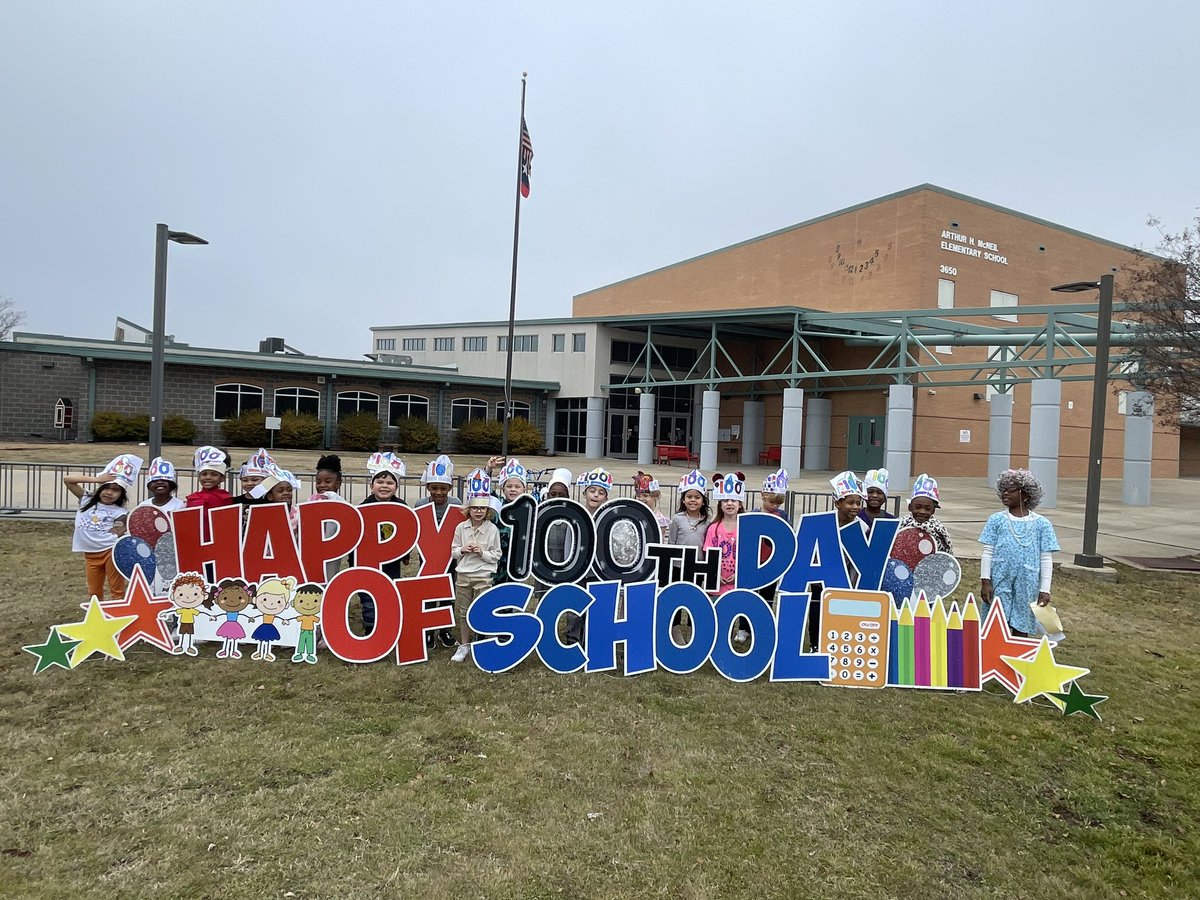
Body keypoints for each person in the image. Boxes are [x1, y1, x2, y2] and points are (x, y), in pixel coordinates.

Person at [979, 468, 1060, 637]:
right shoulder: (996, 520)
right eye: (1003, 490)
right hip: (1000, 579)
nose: (1005, 493)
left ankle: (1018, 656)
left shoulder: (1042, 524)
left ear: (1025, 494)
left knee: (1022, 621)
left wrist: (1045, 589)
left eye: (1010, 489)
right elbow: (987, 551)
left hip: (1027, 582)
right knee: (997, 621)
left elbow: (1046, 558)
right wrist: (985, 581)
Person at [63, 453, 141, 601]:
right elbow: (68, 480)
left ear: (121, 495)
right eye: (106, 488)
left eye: (116, 490)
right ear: (100, 489)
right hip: (90, 555)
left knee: (116, 589)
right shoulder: (86, 500)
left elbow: (134, 520)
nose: (109, 493)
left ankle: (120, 615)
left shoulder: (118, 511)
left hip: (110, 551)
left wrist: (121, 530)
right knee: (94, 591)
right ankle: (98, 618)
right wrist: (97, 479)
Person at [449, 469, 502, 662]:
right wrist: (463, 549)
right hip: (463, 575)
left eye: (482, 508)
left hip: (484, 575)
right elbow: (453, 551)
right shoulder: (460, 528)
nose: (478, 511)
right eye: (474, 508)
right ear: (468, 509)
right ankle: (464, 645)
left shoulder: (492, 529)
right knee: (463, 611)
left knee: (483, 610)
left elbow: (497, 555)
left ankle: (485, 643)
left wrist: (482, 553)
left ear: (487, 510)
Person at [356, 451, 408, 633]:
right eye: (380, 482)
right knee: (368, 594)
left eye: (389, 482)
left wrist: (406, 555)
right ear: (371, 486)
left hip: (391, 561)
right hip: (367, 561)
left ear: (396, 487)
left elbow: (407, 531)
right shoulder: (363, 507)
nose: (384, 486)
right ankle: (370, 625)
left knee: (390, 590)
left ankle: (387, 624)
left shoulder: (402, 507)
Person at [415, 455, 463, 649]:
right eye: (434, 488)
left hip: (448, 557)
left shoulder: (456, 503)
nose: (438, 492)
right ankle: (427, 630)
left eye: (443, 488)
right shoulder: (420, 504)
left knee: (447, 592)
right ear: (428, 488)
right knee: (426, 592)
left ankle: (444, 630)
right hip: (427, 557)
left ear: (449, 488)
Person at [564, 467, 613, 644]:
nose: (596, 495)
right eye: (592, 491)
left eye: (601, 492)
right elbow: (569, 542)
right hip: (579, 571)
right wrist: (569, 567)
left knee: (598, 608)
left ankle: (593, 642)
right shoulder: (577, 515)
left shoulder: (609, 518)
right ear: (585, 492)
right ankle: (572, 641)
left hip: (600, 572)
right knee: (575, 607)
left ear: (606, 497)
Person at [702, 473, 747, 640]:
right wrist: (716, 574)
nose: (729, 503)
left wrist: (741, 573)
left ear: (740, 503)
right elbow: (708, 552)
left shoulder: (746, 526)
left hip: (738, 579)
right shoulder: (714, 528)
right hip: (718, 581)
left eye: (733, 500)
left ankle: (740, 632)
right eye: (725, 500)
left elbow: (748, 553)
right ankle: (718, 637)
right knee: (718, 611)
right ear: (720, 504)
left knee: (738, 609)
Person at [897, 473, 953, 553]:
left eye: (927, 508)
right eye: (918, 507)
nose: (922, 511)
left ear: (933, 510)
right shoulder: (899, 525)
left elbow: (945, 555)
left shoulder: (939, 530)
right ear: (910, 507)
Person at [185, 446, 235, 535]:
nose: (208, 477)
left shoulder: (226, 499)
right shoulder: (192, 499)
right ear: (199, 477)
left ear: (222, 478)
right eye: (204, 474)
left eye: (214, 474)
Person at [668, 469, 711, 549]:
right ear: (683, 500)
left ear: (703, 502)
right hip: (680, 561)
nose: (693, 500)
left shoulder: (707, 522)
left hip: (699, 561)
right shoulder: (677, 519)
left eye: (697, 497)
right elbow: (671, 543)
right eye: (689, 497)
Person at [635, 472, 671, 542]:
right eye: (638, 496)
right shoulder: (634, 514)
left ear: (656, 497)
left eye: (645, 496)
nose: (641, 499)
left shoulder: (659, 518)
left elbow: (660, 541)